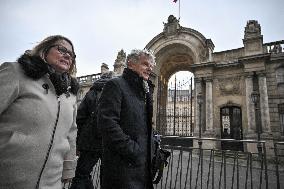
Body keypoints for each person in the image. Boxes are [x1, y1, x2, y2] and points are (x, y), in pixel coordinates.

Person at [0, 35, 79, 189]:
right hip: (8, 176)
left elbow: (70, 134)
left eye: (72, 54)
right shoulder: (16, 72)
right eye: (61, 49)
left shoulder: (71, 94)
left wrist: (68, 170)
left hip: (52, 182)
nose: (67, 55)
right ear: (44, 51)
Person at [97, 49, 155, 189]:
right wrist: (133, 150)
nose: (149, 69)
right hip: (122, 166)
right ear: (131, 64)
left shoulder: (145, 92)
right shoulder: (115, 85)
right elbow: (107, 123)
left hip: (142, 166)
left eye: (151, 66)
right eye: (145, 64)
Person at [70, 71, 115, 189]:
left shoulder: (91, 93)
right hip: (110, 140)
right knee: (108, 177)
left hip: (89, 141)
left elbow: (80, 118)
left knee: (81, 174)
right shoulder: (115, 92)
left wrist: (78, 142)